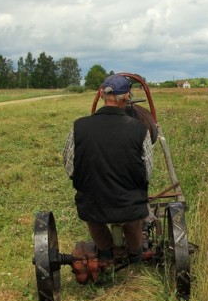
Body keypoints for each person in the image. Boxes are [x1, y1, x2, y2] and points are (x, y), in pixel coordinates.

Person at [62, 74, 153, 263]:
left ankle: (104, 251)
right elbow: (147, 171)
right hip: (129, 204)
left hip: (93, 203)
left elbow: (70, 166)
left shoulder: (78, 127)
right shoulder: (139, 129)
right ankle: (135, 252)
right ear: (127, 96)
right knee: (133, 211)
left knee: (92, 212)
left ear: (102, 95)